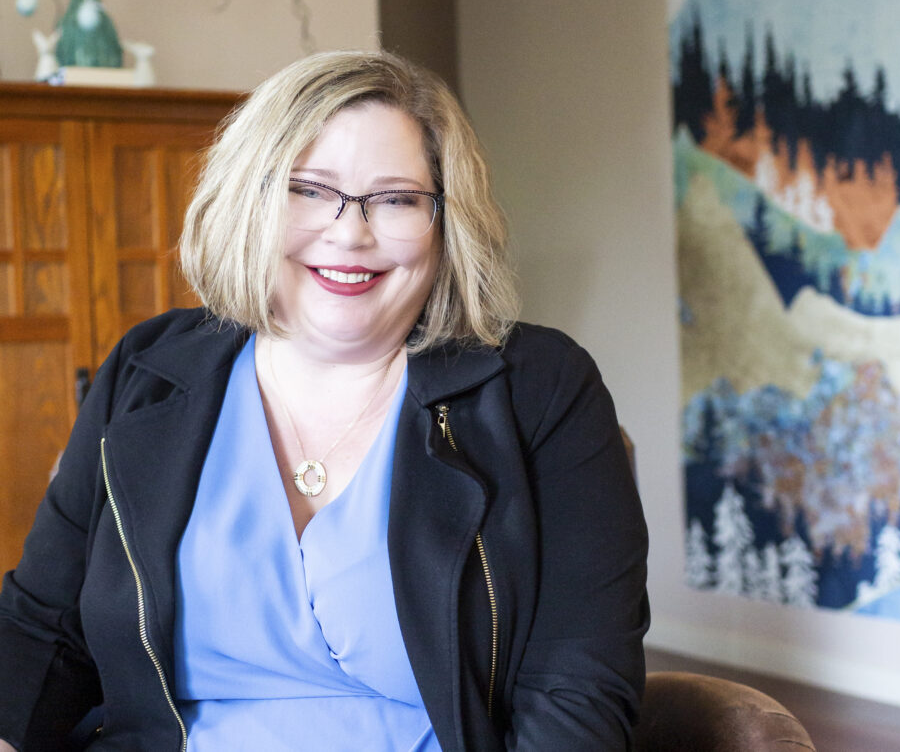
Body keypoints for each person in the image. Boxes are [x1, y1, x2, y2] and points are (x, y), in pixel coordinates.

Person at [0, 51, 649, 751]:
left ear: (444, 225)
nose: (350, 232)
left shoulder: (539, 389)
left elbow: (577, 691)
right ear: (252, 199)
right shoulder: (147, 369)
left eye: (397, 199)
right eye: (309, 190)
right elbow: (40, 633)